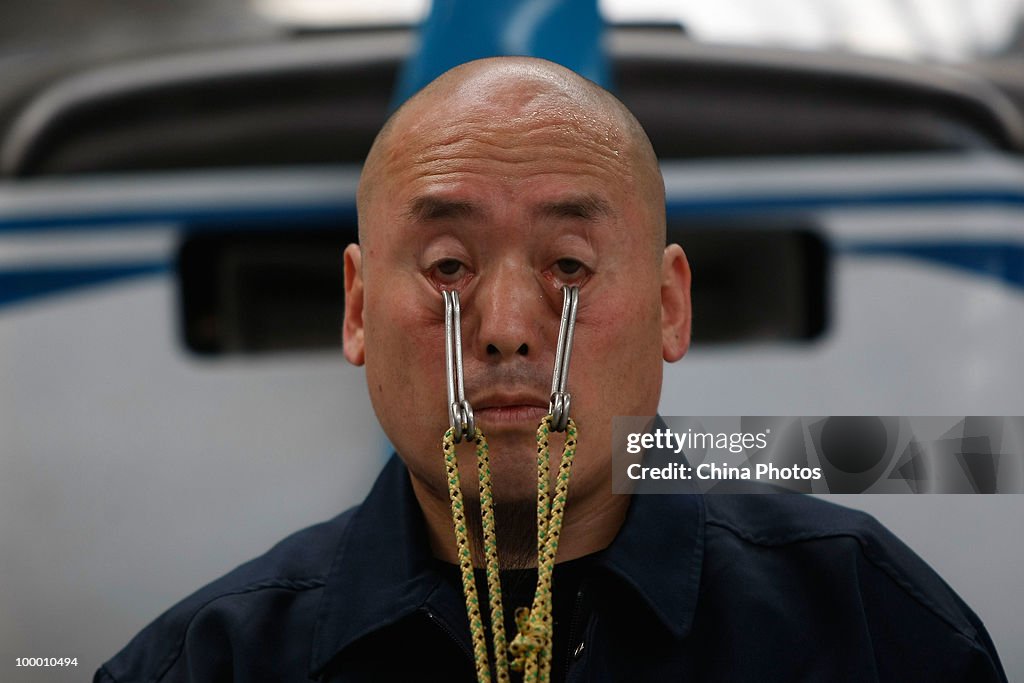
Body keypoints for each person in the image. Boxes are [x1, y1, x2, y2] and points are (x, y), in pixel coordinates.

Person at [95, 57, 1007, 682]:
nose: (504, 330)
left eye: (568, 265)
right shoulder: (206, 661)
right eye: (448, 266)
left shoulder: (872, 628)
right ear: (360, 307)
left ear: (671, 307)